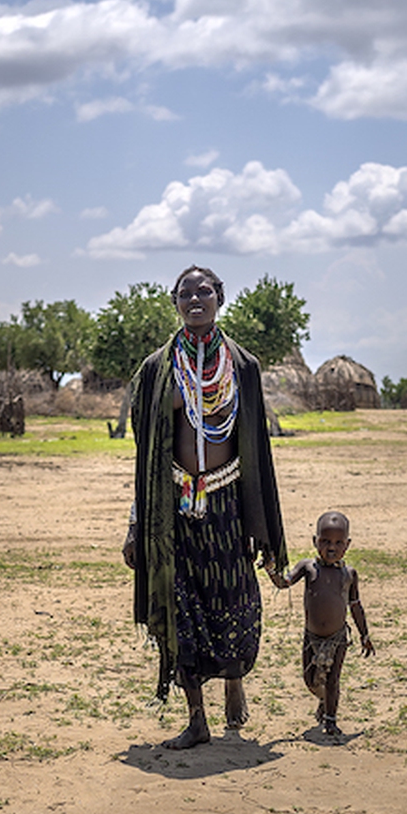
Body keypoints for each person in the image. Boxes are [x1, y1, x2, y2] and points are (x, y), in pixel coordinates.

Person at [123, 265, 287, 749]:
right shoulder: (156, 370)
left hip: (229, 502)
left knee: (236, 600)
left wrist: (265, 528)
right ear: (174, 302)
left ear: (220, 297)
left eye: (204, 291)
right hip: (174, 507)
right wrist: (137, 523)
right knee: (182, 610)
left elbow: (256, 447)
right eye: (185, 293)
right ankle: (197, 718)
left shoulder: (243, 367)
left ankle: (235, 678)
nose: (195, 299)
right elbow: (146, 458)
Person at [267, 510, 373, 737]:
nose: (331, 547)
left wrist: (365, 635)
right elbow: (284, 583)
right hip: (312, 636)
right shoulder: (308, 568)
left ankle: (331, 719)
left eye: (338, 542)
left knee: (333, 679)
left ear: (347, 545)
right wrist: (271, 570)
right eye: (325, 541)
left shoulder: (349, 574)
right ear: (315, 541)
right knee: (310, 679)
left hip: (337, 638)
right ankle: (324, 700)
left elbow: (355, 606)